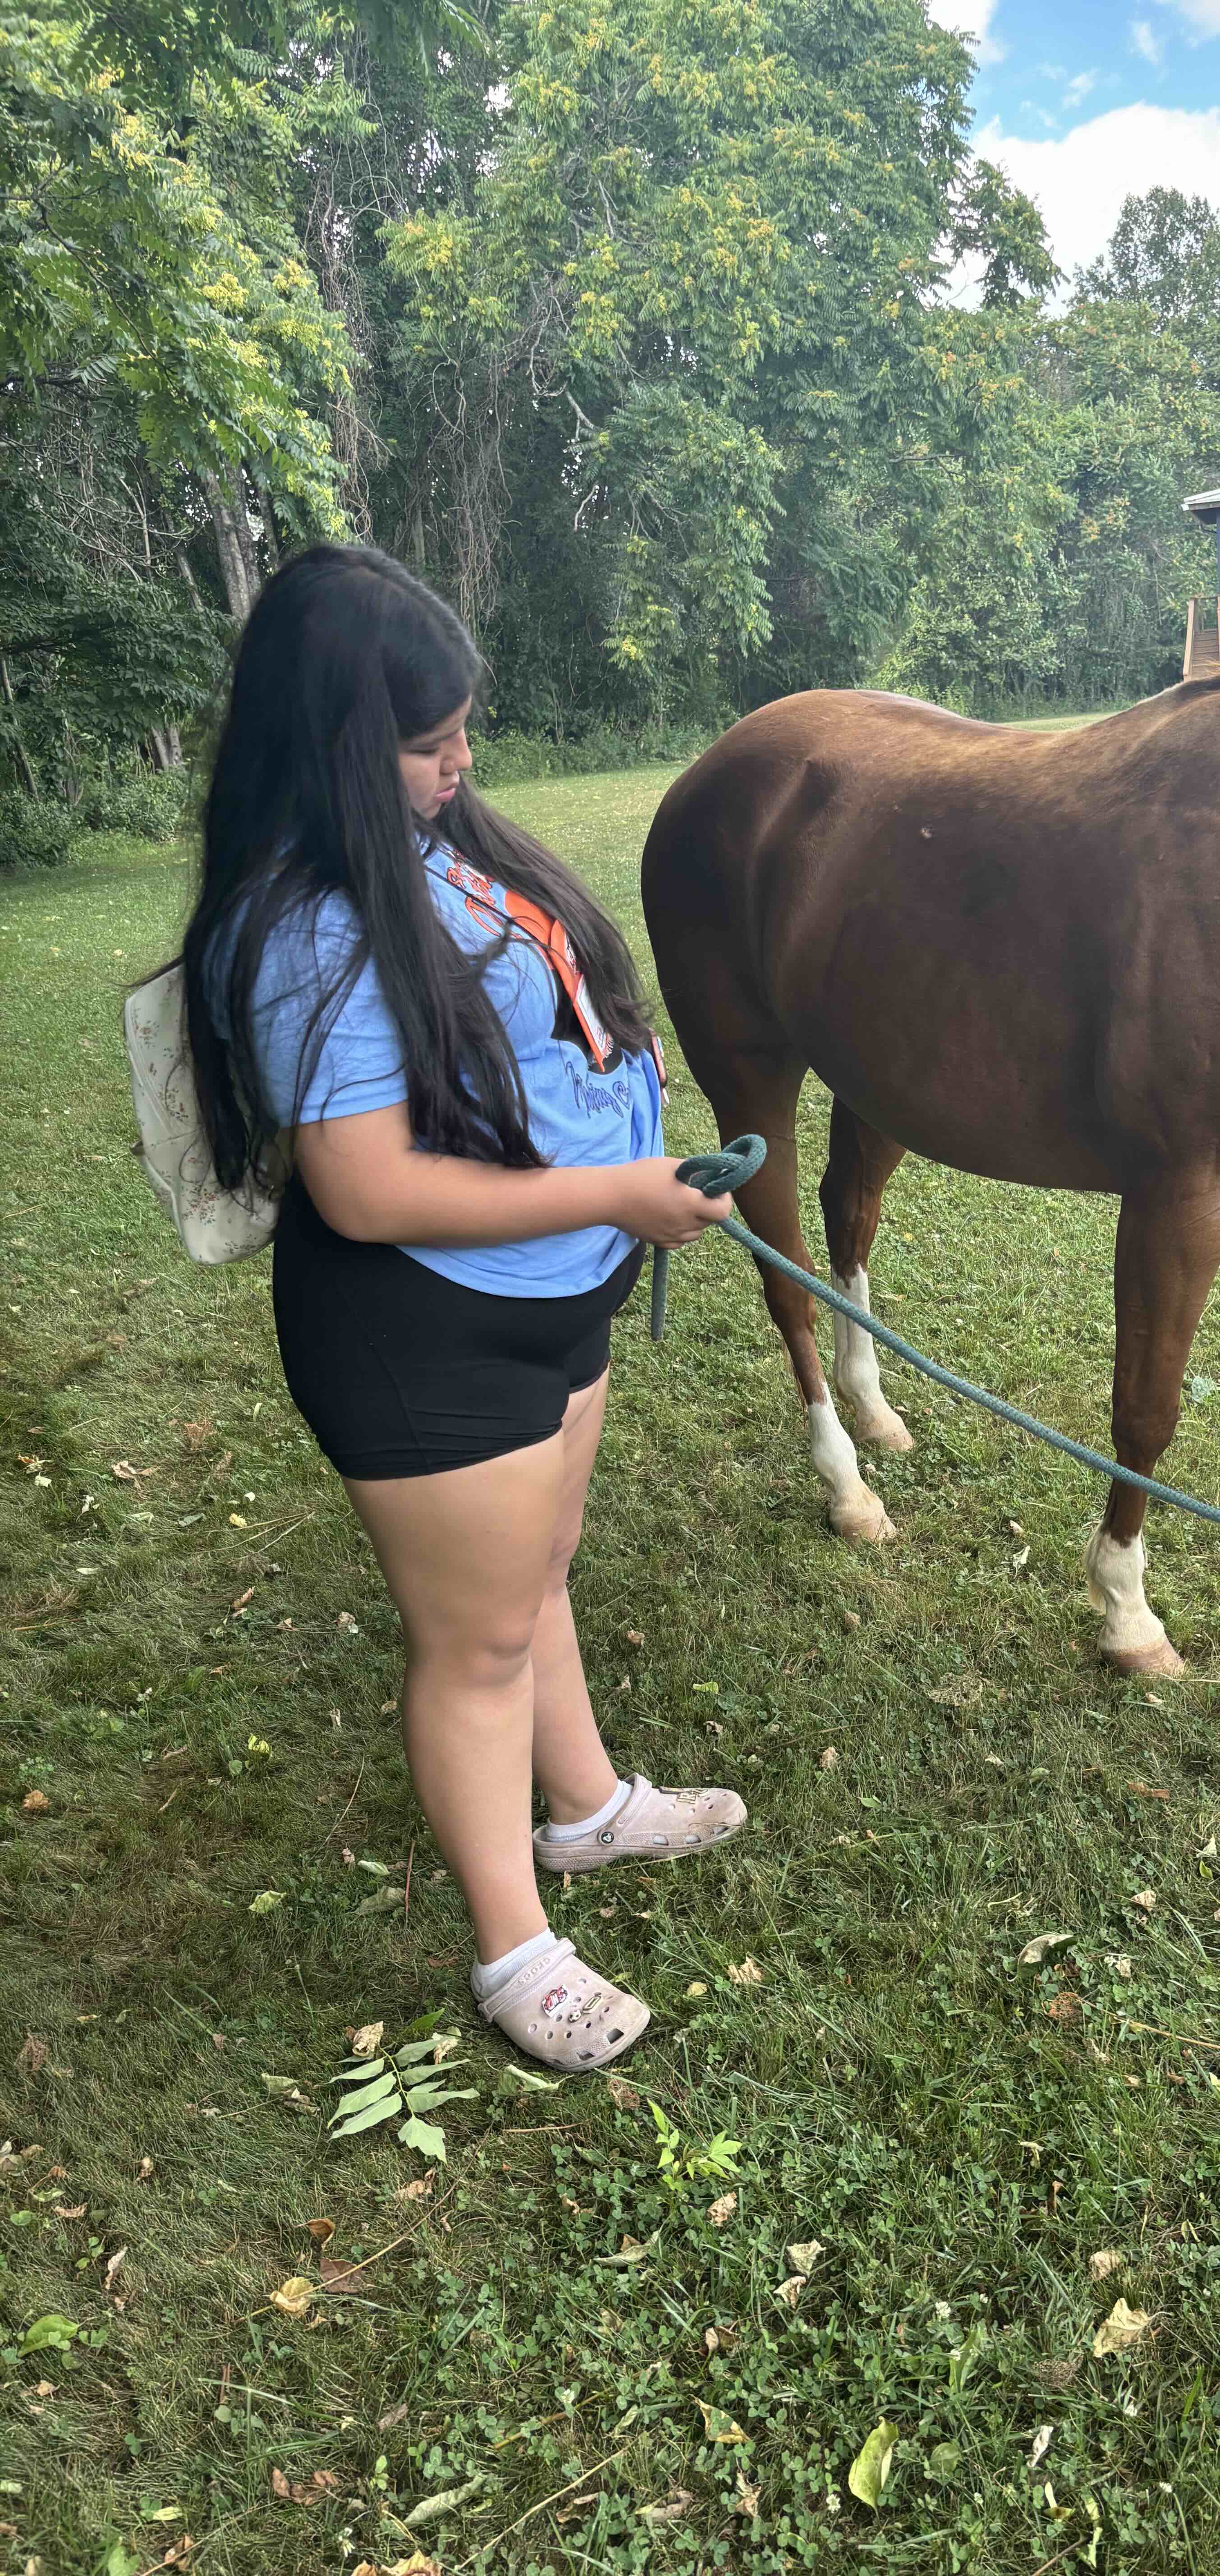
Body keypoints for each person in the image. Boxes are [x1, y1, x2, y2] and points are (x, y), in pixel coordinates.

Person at [182, 545, 743, 2071]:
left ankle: (590, 1809)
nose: (462, 761)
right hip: (421, 1330)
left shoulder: (427, 847)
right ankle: (514, 1954)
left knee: (538, 1572)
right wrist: (619, 1195)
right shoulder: (305, 921)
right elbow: (366, 1190)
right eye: (432, 743)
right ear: (345, 751)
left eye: (462, 729)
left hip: (546, 1291)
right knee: (474, 1643)